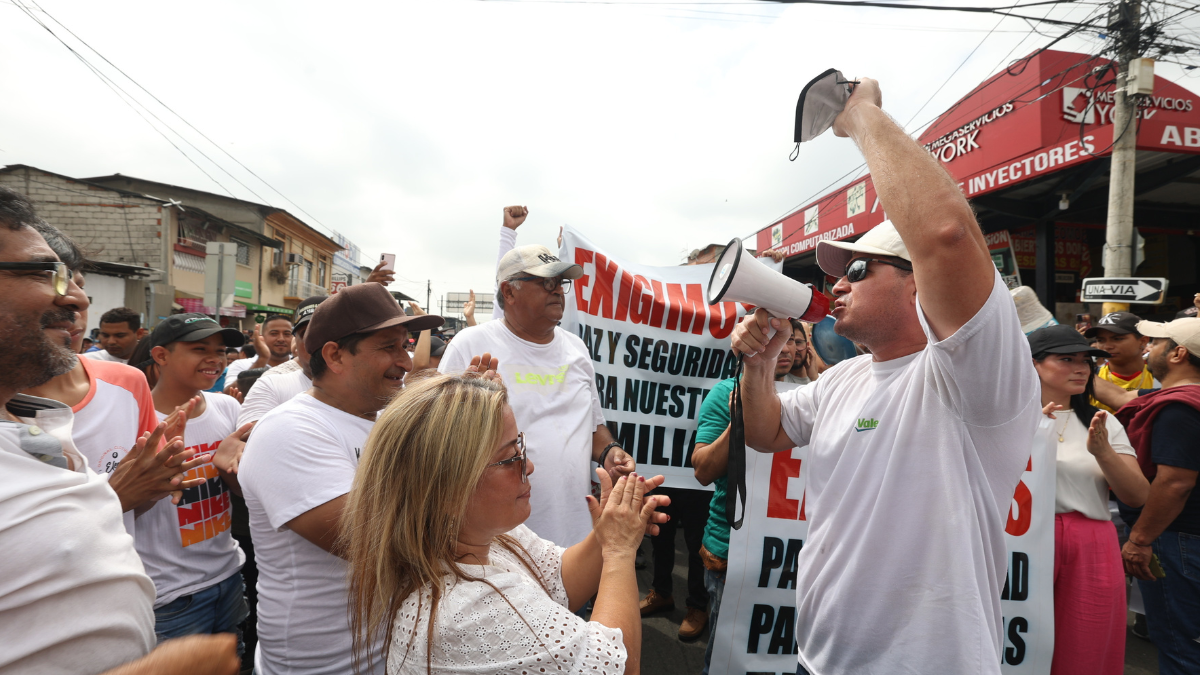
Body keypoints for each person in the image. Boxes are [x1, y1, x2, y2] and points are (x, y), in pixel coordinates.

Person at [731, 78, 1040, 675]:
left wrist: (859, 113)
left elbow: (946, 235)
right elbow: (765, 433)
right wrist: (760, 363)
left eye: (858, 270)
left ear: (918, 281)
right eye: (837, 274)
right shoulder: (843, 379)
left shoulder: (972, 376)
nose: (836, 285)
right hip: (819, 658)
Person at [0, 185, 239, 674]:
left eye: (75, 280)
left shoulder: (37, 424)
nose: (77, 299)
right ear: (161, 356)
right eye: (45, 273)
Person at [343, 372, 670, 674]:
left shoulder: (479, 536)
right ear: (448, 491)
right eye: (509, 457)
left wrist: (612, 526)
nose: (528, 466)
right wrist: (619, 549)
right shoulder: (465, 612)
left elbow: (558, 578)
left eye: (519, 445)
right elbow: (619, 666)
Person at [238, 283, 443, 675]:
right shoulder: (290, 430)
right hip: (324, 665)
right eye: (389, 347)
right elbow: (378, 542)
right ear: (334, 355)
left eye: (405, 345)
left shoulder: (385, 421)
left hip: (390, 654)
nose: (405, 362)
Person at [439, 244, 635, 548]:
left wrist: (610, 451)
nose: (557, 290)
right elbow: (437, 444)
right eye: (545, 282)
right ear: (509, 291)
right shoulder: (469, 345)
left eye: (560, 282)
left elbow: (593, 426)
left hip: (575, 539)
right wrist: (469, 410)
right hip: (498, 546)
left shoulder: (577, 349)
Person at [23, 222, 207, 531]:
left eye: (80, 284)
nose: (78, 301)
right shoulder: (10, 411)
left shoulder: (127, 382)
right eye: (53, 280)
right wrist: (114, 497)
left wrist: (162, 476)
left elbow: (143, 499)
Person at [1026, 325, 1149, 675]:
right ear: (1033, 364)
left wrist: (1103, 452)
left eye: (1085, 361)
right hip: (1022, 539)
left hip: (1091, 542)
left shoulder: (1102, 422)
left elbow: (1137, 495)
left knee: (1086, 643)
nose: (1081, 368)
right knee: (1019, 636)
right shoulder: (1002, 418)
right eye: (1066, 359)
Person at [690, 318, 806, 672]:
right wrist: (740, 419)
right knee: (729, 658)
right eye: (772, 339)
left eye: (791, 340)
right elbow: (703, 470)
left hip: (795, 560)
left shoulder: (813, 396)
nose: (784, 348)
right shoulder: (724, 393)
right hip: (733, 555)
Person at [144, 314, 254, 649]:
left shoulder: (227, 407)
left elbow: (242, 492)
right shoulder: (137, 416)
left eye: (220, 350)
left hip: (228, 575)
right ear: (161, 355)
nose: (215, 359)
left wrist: (231, 469)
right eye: (200, 349)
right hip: (169, 595)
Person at [1105, 317, 1200, 675]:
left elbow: (1175, 483)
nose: (1149, 347)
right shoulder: (1179, 399)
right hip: (1184, 539)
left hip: (1178, 540)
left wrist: (1140, 540)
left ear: (1178, 354)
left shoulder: (1179, 409)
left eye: (1158, 342)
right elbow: (1120, 396)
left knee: (1180, 646)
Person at [236, 296, 324, 427]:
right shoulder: (271, 383)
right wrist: (262, 359)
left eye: (323, 332)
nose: (281, 339)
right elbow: (248, 434)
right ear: (296, 341)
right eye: (305, 334)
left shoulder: (356, 384)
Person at [1085, 311, 1157, 412]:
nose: (1107, 346)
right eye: (1101, 340)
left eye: (1117, 339)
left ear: (1143, 341)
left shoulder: (1162, 377)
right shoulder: (1085, 379)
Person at [226, 314, 293, 383]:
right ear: (261, 337)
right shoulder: (241, 365)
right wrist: (262, 360)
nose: (281, 339)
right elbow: (230, 389)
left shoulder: (299, 365)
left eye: (287, 334)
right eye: (274, 333)